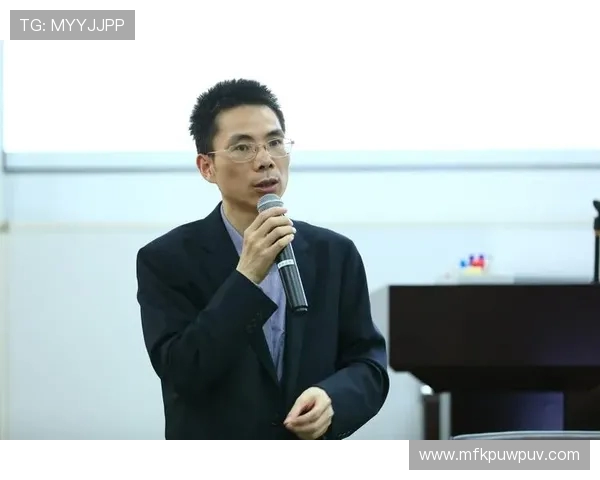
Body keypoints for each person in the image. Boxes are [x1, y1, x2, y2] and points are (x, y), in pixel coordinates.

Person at [135, 79, 390, 440]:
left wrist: (333, 399)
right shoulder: (166, 260)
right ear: (207, 167)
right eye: (242, 147)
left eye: (274, 142)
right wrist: (245, 279)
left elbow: (368, 364)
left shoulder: (335, 254)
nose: (266, 160)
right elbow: (182, 373)